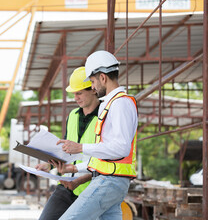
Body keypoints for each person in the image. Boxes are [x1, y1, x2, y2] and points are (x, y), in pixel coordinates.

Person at [57, 50, 138, 220]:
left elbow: (121, 148)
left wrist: (80, 147)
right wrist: (74, 168)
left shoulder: (120, 104)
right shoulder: (110, 105)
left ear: (102, 78)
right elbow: (106, 155)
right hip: (110, 179)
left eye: (93, 81)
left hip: (110, 181)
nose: (93, 87)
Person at [35, 66, 100, 220]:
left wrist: (79, 180)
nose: (75, 98)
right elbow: (65, 149)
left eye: (79, 93)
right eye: (73, 94)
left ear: (93, 89)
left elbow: (106, 158)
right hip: (66, 185)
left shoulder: (104, 118)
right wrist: (49, 164)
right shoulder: (73, 115)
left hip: (90, 189)